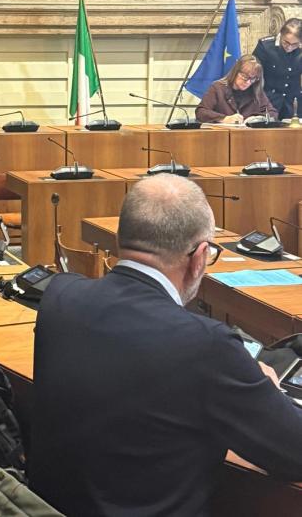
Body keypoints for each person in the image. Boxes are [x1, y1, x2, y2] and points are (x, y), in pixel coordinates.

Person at [30, 174, 302, 517]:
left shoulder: (60, 296)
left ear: (120, 237)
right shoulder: (207, 345)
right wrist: (269, 390)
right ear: (200, 256)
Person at [195, 54, 277, 124]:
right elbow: (201, 112)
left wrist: (258, 119)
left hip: (249, 135)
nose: (248, 82)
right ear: (235, 72)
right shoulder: (217, 88)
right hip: (222, 134)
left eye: (253, 79)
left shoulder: (256, 91)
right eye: (245, 77)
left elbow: (273, 113)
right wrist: (224, 118)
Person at [253, 18, 302, 119]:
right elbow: (254, 74)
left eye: (295, 44)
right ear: (281, 34)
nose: (289, 47)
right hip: (268, 101)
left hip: (294, 103)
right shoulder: (265, 46)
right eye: (286, 42)